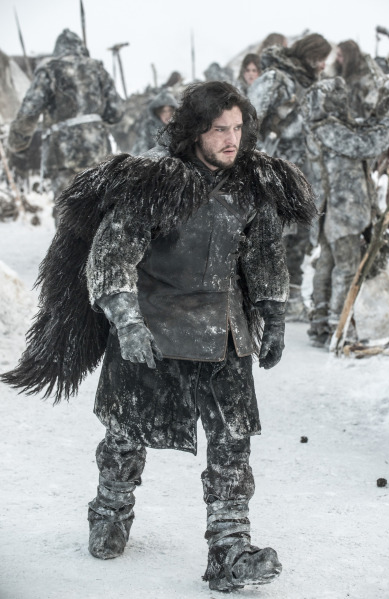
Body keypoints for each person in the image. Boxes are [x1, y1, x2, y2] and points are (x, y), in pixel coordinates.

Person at [2, 81, 316, 592]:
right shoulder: (155, 182)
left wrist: (273, 315)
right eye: (220, 130)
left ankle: (230, 549)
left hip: (225, 333)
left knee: (233, 444)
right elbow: (111, 256)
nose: (232, 140)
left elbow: (264, 254)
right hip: (154, 329)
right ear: (195, 131)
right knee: (125, 435)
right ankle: (110, 510)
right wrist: (126, 321)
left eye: (238, 128)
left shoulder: (250, 186)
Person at [301, 77, 389, 346]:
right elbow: (364, 144)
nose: (343, 101)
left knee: (328, 264)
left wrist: (379, 113)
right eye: (337, 96)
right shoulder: (328, 129)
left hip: (334, 210)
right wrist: (388, 121)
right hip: (341, 212)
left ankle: (321, 325)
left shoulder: (326, 127)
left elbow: (359, 130)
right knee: (345, 268)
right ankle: (339, 328)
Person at [248, 33, 332, 321]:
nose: (323, 65)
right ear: (308, 54)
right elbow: (249, 121)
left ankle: (292, 298)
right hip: (274, 175)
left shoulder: (312, 86)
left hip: (304, 177)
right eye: (319, 58)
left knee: (299, 239)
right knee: (271, 238)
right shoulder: (276, 79)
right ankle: (263, 302)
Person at [7, 29, 123, 224]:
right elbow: (116, 112)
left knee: (67, 212)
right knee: (100, 207)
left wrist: (17, 141)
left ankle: (68, 242)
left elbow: (30, 110)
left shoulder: (49, 70)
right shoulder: (97, 69)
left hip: (62, 153)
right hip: (98, 152)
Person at [333, 40, 384, 119]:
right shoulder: (339, 68)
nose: (337, 58)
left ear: (348, 57)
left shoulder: (367, 75)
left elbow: (374, 101)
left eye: (340, 55)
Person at [130, 88, 178, 155]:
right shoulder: (148, 128)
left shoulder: (180, 127)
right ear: (157, 113)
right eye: (163, 111)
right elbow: (142, 151)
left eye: (170, 110)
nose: (167, 114)